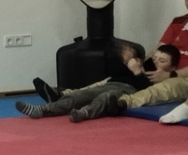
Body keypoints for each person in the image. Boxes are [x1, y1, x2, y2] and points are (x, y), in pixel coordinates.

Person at [67, 0, 188, 121]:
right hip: (163, 69)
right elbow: (158, 49)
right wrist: (140, 63)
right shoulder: (178, 22)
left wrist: (171, 74)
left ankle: (120, 103)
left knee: (164, 88)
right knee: (119, 76)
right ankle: (69, 94)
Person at [16, 41, 175, 119]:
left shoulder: (160, 79)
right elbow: (115, 74)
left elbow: (145, 91)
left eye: (162, 61)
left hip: (127, 90)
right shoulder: (140, 64)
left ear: (171, 67)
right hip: (112, 82)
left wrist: (137, 72)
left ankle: (85, 113)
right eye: (155, 58)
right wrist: (126, 61)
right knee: (79, 96)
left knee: (105, 98)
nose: (155, 62)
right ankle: (43, 110)